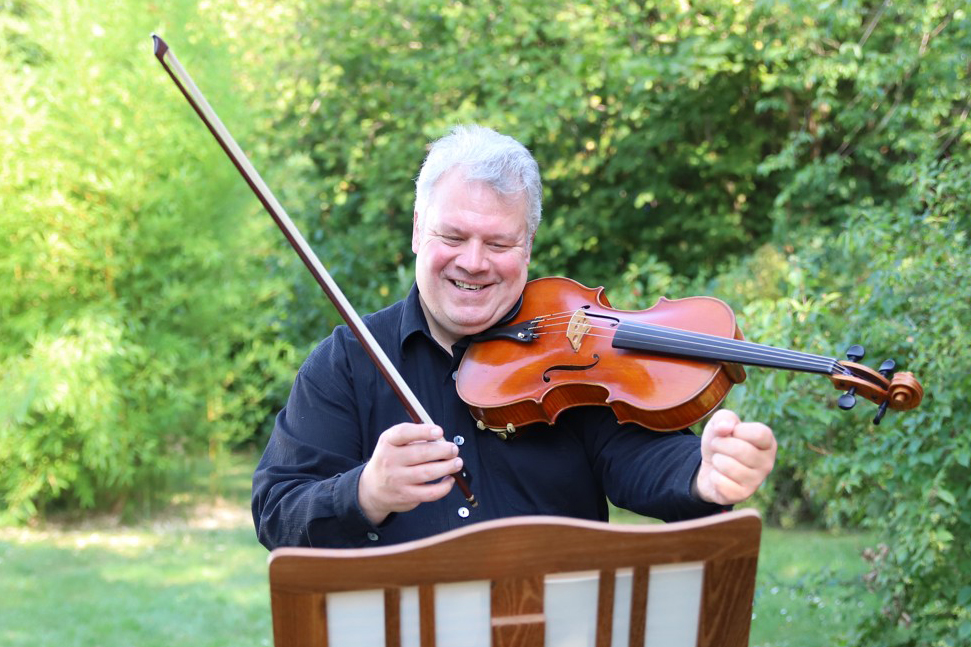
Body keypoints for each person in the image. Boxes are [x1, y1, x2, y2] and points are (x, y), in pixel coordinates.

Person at [252, 124, 777, 549]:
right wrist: (366, 492)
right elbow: (278, 512)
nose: (474, 262)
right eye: (453, 236)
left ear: (527, 247)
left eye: (499, 242)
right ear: (417, 230)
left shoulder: (574, 352)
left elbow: (637, 455)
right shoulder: (348, 361)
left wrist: (703, 473)